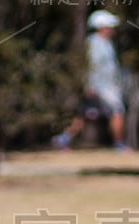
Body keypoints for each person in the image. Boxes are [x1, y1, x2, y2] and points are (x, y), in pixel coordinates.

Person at [52, 10, 128, 151]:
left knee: (87, 114)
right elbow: (92, 66)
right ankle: (119, 144)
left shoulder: (106, 43)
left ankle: (63, 138)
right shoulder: (95, 44)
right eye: (109, 26)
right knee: (117, 111)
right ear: (101, 27)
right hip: (102, 87)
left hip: (107, 86)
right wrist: (90, 85)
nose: (112, 29)